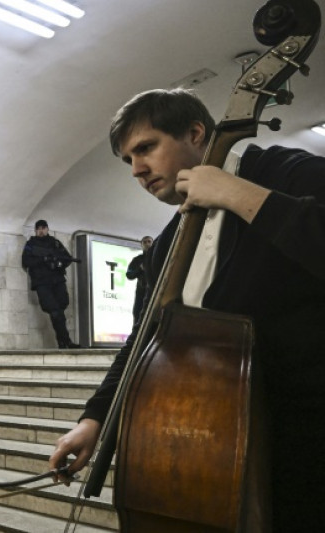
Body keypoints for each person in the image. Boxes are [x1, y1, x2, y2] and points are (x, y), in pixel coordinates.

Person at [49, 88, 325, 531]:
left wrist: (236, 194)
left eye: (146, 148)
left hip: (306, 443)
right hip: (221, 450)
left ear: (196, 133)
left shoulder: (284, 171)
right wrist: (95, 419)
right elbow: (143, 343)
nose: (137, 170)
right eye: (128, 161)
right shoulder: (166, 247)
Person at [22, 220, 80, 348]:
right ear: (35, 231)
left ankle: (63, 342)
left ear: (47, 229)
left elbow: (67, 258)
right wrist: (43, 260)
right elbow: (26, 261)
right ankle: (66, 342)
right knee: (55, 312)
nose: (41, 231)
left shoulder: (55, 243)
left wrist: (58, 264)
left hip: (57, 281)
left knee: (61, 309)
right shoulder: (31, 244)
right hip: (42, 283)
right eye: (39, 229)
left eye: (43, 228)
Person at [125, 235, 153, 324]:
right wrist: (140, 269)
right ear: (141, 245)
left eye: (149, 241)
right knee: (138, 313)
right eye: (144, 242)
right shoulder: (137, 260)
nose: (147, 244)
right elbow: (129, 275)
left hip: (153, 292)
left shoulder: (157, 259)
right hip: (141, 292)